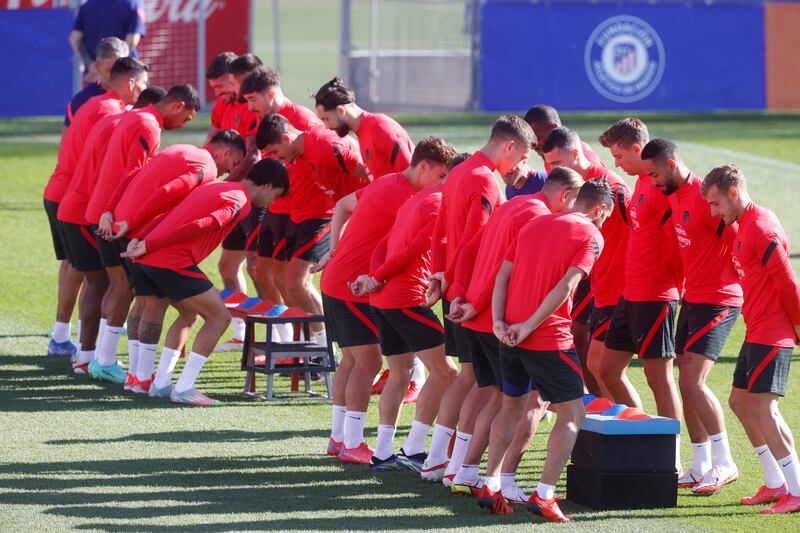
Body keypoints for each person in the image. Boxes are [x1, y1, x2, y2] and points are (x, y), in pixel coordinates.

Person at [445, 167, 583, 506]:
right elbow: (507, 271)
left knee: (493, 398)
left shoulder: (510, 205)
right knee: (526, 404)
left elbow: (469, 249)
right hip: (503, 322)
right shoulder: (538, 216)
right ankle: (502, 482)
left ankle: (464, 472)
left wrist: (462, 296)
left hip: (481, 317)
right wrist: (483, 308)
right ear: (566, 195)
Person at [316, 138, 455, 464]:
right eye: (440, 175)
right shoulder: (408, 197)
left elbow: (342, 206)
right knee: (367, 363)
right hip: (356, 287)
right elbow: (405, 249)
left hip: (341, 281)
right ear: (424, 166)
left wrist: (336, 251)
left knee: (353, 362)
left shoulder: (386, 182)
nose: (442, 183)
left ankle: (339, 439)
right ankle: (351, 442)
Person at [492, 179, 614, 523]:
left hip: (509, 332)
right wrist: (529, 326)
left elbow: (503, 275)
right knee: (573, 415)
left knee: (510, 408)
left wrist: (499, 322)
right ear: (599, 210)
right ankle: (545, 495)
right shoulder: (591, 235)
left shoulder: (535, 223)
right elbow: (567, 285)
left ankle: (491, 484)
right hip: (546, 337)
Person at [122, 158, 289, 406]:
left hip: (149, 259)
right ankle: (185, 387)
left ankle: (160, 384)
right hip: (170, 261)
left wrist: (142, 240)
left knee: (189, 314)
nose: (272, 203)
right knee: (219, 318)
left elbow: (171, 214)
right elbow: (203, 224)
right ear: (267, 186)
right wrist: (148, 243)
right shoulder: (240, 200)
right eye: (275, 195)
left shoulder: (218, 186)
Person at [424, 114, 534, 486]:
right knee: (496, 391)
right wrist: (466, 294)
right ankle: (459, 468)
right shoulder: (486, 181)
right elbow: (476, 243)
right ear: (509, 146)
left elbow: (441, 229)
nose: (522, 167)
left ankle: (439, 460)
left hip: (457, 291)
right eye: (522, 157)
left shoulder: (459, 171)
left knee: (470, 380)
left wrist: (441, 276)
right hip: (476, 298)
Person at [641, 138, 742, 493]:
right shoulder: (673, 197)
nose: (652, 182)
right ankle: (700, 464)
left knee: (693, 382)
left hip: (719, 300)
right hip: (693, 300)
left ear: (670, 165)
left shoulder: (705, 198)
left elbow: (739, 238)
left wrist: (738, 283)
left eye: (654, 174)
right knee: (685, 382)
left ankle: (725, 461)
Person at [314, 76, 426, 396]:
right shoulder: (365, 133)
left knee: (395, 301)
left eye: (326, 118)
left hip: (399, 231)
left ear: (342, 109)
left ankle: (414, 375)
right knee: (376, 306)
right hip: (381, 230)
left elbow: (415, 180)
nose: (326, 125)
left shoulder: (382, 129)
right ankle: (404, 371)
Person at [110, 130, 246, 393]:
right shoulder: (206, 166)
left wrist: (113, 211)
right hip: (145, 236)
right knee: (156, 305)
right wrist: (137, 225)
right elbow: (169, 191)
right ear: (225, 153)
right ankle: (143, 377)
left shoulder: (181, 148)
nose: (231, 170)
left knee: (144, 303)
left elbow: (135, 175)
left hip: (129, 229)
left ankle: (136, 376)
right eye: (234, 162)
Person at [82, 84, 200, 383]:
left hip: (104, 211)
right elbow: (133, 173)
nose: (184, 124)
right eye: (187, 117)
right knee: (124, 288)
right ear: (178, 105)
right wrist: (113, 210)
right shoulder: (149, 126)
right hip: (118, 216)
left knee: (115, 285)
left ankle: (97, 357)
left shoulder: (132, 118)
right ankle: (105, 360)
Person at [702, 165, 800, 514]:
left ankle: (797, 491)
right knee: (740, 402)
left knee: (763, 407)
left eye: (716, 204)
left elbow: (787, 281)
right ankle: (776, 483)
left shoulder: (761, 227)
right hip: (756, 329)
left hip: (773, 331)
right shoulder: (742, 226)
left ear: (733, 193)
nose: (714, 212)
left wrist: (799, 325)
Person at [43, 57, 149, 363]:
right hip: (81, 202)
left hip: (64, 192)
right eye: (142, 85)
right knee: (100, 279)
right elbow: (105, 168)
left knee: (77, 269)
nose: (144, 91)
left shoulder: (93, 104)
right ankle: (90, 353)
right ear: (130, 84)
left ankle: (65, 338)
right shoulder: (114, 113)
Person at [596, 118, 684, 473]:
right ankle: (642, 433)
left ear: (637, 149)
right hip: (630, 293)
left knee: (659, 377)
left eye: (619, 155)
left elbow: (681, 241)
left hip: (656, 294)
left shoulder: (662, 186)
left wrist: (677, 287)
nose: (616, 163)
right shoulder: (640, 185)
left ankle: (671, 459)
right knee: (605, 368)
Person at [256, 113, 367, 344]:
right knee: (287, 280)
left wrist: (366, 207)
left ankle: (326, 345)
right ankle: (313, 342)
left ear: (286, 138)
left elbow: (366, 170)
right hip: (303, 216)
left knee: (299, 281)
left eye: (276, 152)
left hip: (325, 217)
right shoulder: (303, 150)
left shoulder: (322, 143)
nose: (280, 160)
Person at [541, 127, 631, 399]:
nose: (553, 170)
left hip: (618, 288)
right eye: (549, 164)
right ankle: (605, 419)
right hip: (598, 283)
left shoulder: (613, 188)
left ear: (576, 153)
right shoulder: (574, 183)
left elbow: (636, 232)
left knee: (610, 368)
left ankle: (647, 432)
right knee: (593, 360)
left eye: (557, 163)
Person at [525, 106, 605, 394]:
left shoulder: (587, 167)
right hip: (570, 255)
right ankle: (576, 394)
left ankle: (590, 399)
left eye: (540, 136)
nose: (537, 143)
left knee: (579, 335)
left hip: (586, 262)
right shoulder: (552, 161)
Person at [241, 66, 325, 338]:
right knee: (265, 273)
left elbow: (325, 154)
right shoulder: (267, 121)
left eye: (253, 99)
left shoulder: (301, 118)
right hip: (276, 208)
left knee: (296, 280)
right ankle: (289, 338)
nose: (251, 107)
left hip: (305, 210)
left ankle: (322, 343)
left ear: (271, 93)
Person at [212, 54, 269, 351]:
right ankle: (241, 331)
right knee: (226, 265)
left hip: (254, 197)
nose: (220, 93)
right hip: (234, 195)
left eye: (225, 85)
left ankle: (276, 334)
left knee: (258, 267)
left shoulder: (253, 108)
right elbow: (215, 138)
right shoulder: (224, 104)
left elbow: (253, 155)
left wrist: (225, 185)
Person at [69, 0, 146, 84]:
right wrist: (115, 68)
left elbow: (75, 39)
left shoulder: (87, 5)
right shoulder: (133, 3)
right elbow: (132, 40)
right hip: (124, 78)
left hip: (95, 78)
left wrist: (92, 66)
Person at [65, 37, 130, 130]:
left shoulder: (135, 97)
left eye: (120, 69)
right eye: (109, 70)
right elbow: (67, 142)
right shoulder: (82, 100)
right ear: (97, 67)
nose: (115, 75)